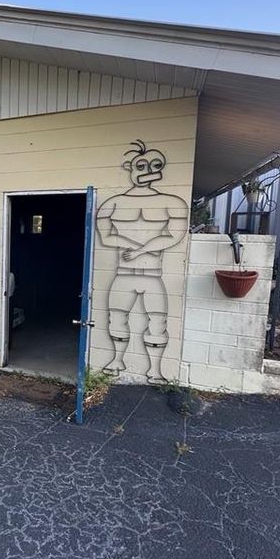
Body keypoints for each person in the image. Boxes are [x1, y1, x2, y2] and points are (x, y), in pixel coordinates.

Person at [96, 140, 188, 382]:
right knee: (116, 317)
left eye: (155, 165)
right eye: (142, 165)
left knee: (158, 320)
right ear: (130, 167)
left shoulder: (173, 202)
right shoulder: (111, 203)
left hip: (152, 274)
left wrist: (138, 251)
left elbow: (175, 235)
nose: (148, 170)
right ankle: (117, 360)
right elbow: (106, 236)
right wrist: (143, 249)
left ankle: (155, 370)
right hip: (124, 272)